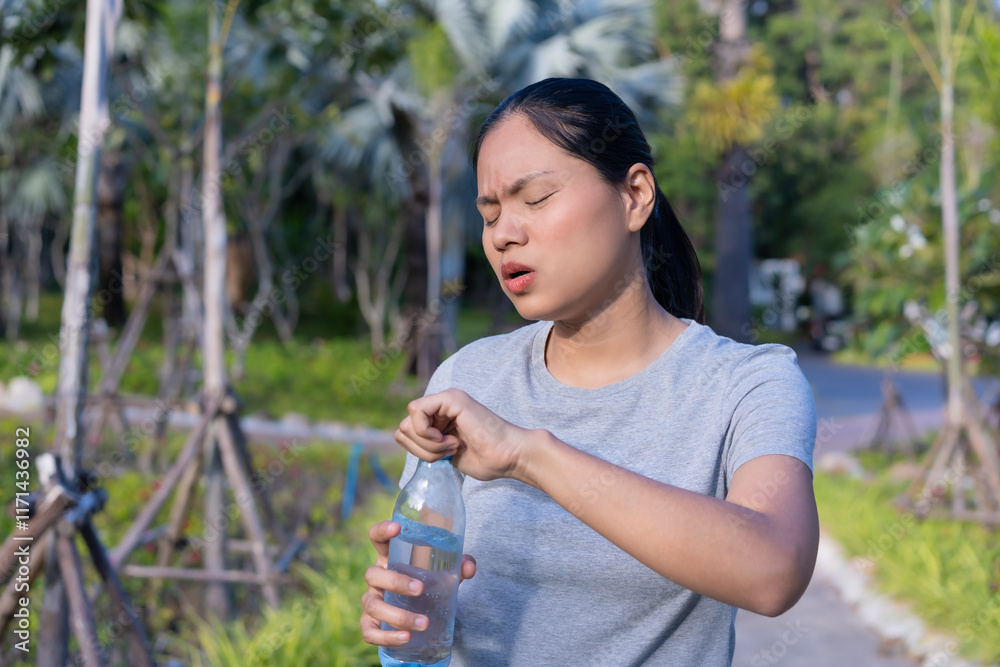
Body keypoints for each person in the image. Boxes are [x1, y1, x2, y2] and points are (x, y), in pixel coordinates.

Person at [359, 77, 818, 667]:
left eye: (536, 198)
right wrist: (401, 613)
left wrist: (528, 456)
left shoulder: (746, 384)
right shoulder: (466, 378)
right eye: (490, 214)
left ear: (634, 195)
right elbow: (425, 597)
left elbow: (775, 569)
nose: (504, 235)